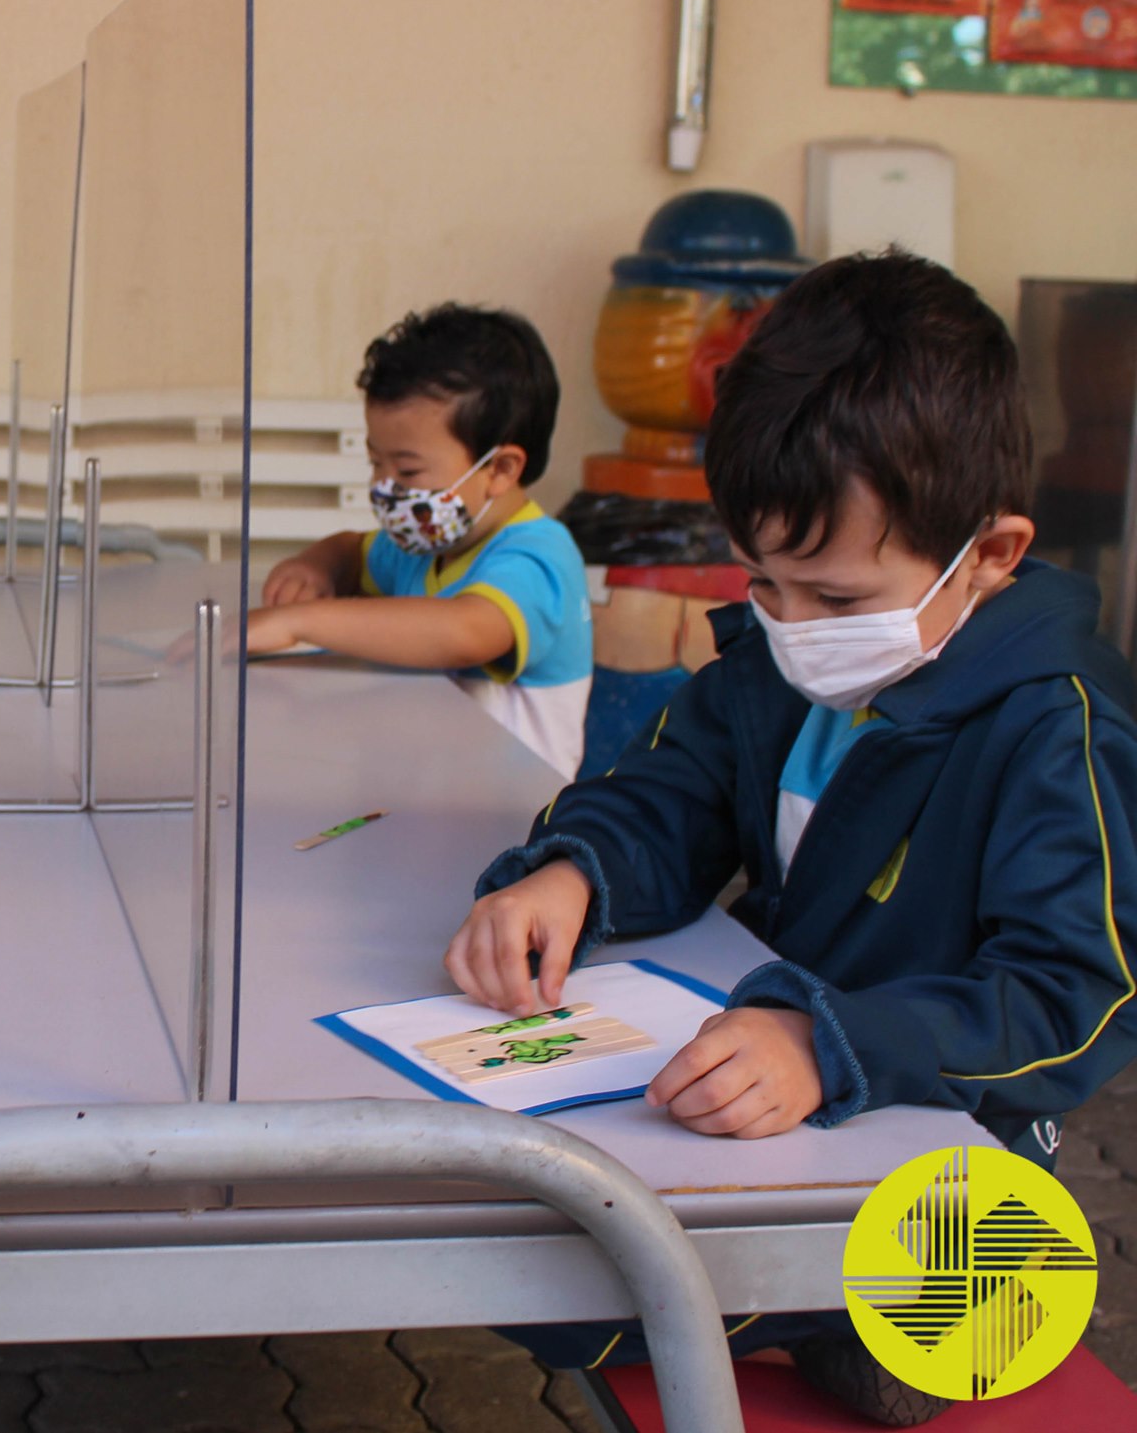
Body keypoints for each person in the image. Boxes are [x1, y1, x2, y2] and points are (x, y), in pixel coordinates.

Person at [444, 250, 1137, 1423]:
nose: (789, 625)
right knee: (533, 1263)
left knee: (925, 1313)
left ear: (993, 554)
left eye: (833, 598)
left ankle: (858, 1322)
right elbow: (667, 788)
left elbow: (1076, 992)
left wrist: (828, 1044)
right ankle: (803, 1313)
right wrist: (570, 871)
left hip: (942, 1134)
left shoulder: (1054, 724)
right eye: (762, 582)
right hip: (751, 1085)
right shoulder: (768, 657)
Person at [249, 303, 592, 779]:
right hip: (429, 802)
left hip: (514, 827)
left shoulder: (540, 559)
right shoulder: (426, 546)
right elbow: (353, 550)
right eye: (375, 464)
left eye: (408, 471)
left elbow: (464, 633)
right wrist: (318, 566)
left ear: (500, 470)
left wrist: (298, 622)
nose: (386, 487)